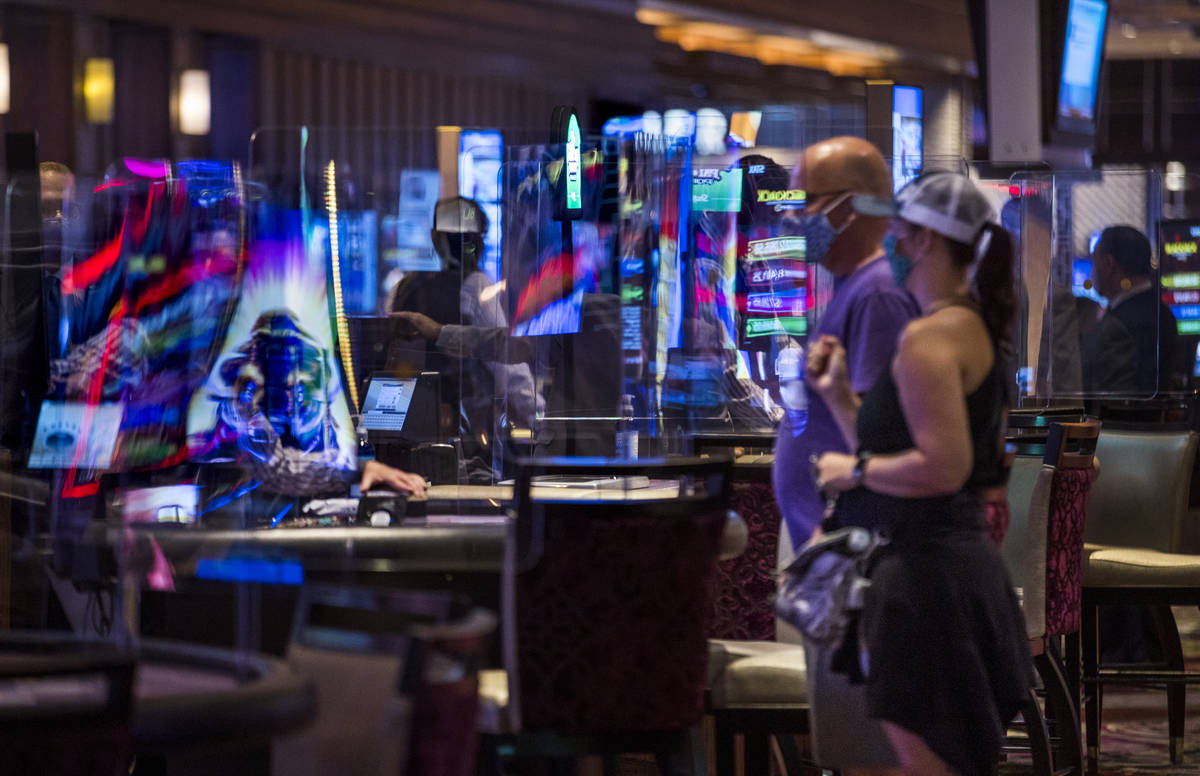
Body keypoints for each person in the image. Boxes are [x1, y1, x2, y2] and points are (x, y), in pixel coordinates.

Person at [808, 171, 1031, 776]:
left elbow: (942, 468)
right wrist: (839, 403)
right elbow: (911, 451)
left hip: (926, 580)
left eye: (900, 231)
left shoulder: (928, 338)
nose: (893, 243)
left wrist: (851, 469)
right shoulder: (973, 326)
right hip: (956, 570)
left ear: (927, 240)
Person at [772, 137, 919, 548]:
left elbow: (879, 439)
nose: (791, 215)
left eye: (805, 201)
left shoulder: (879, 294)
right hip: (827, 538)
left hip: (849, 543)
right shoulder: (855, 285)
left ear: (849, 208)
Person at [389, 196, 542, 479]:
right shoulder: (475, 286)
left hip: (404, 439)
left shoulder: (404, 287)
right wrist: (540, 419)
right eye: (470, 239)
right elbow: (511, 370)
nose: (474, 247)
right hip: (466, 441)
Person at [1080, 225, 1179, 397]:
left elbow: (1110, 400)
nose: (1091, 272)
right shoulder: (1163, 313)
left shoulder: (1119, 326)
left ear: (1109, 264)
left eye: (1094, 264)